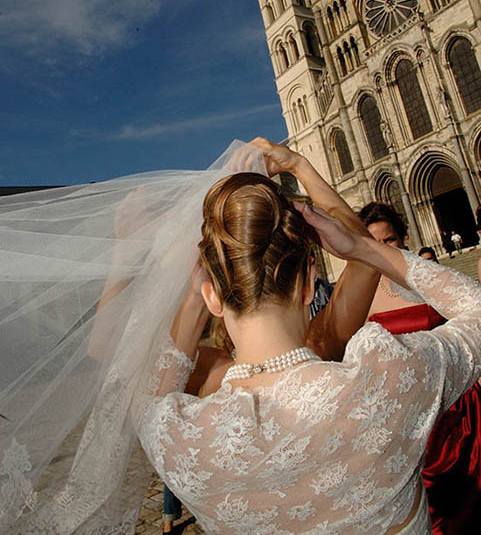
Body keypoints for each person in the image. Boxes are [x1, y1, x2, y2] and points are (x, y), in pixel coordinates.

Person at [130, 140, 481, 534]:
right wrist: (364, 249)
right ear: (311, 281)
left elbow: (143, 395)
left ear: (213, 294)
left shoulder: (176, 439)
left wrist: (196, 297)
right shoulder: (386, 378)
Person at [360, 202, 481, 534]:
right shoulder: (361, 297)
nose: (383, 249)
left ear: (403, 238)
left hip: (458, 407)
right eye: (374, 242)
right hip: (409, 420)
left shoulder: (432, 280)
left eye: (390, 240)